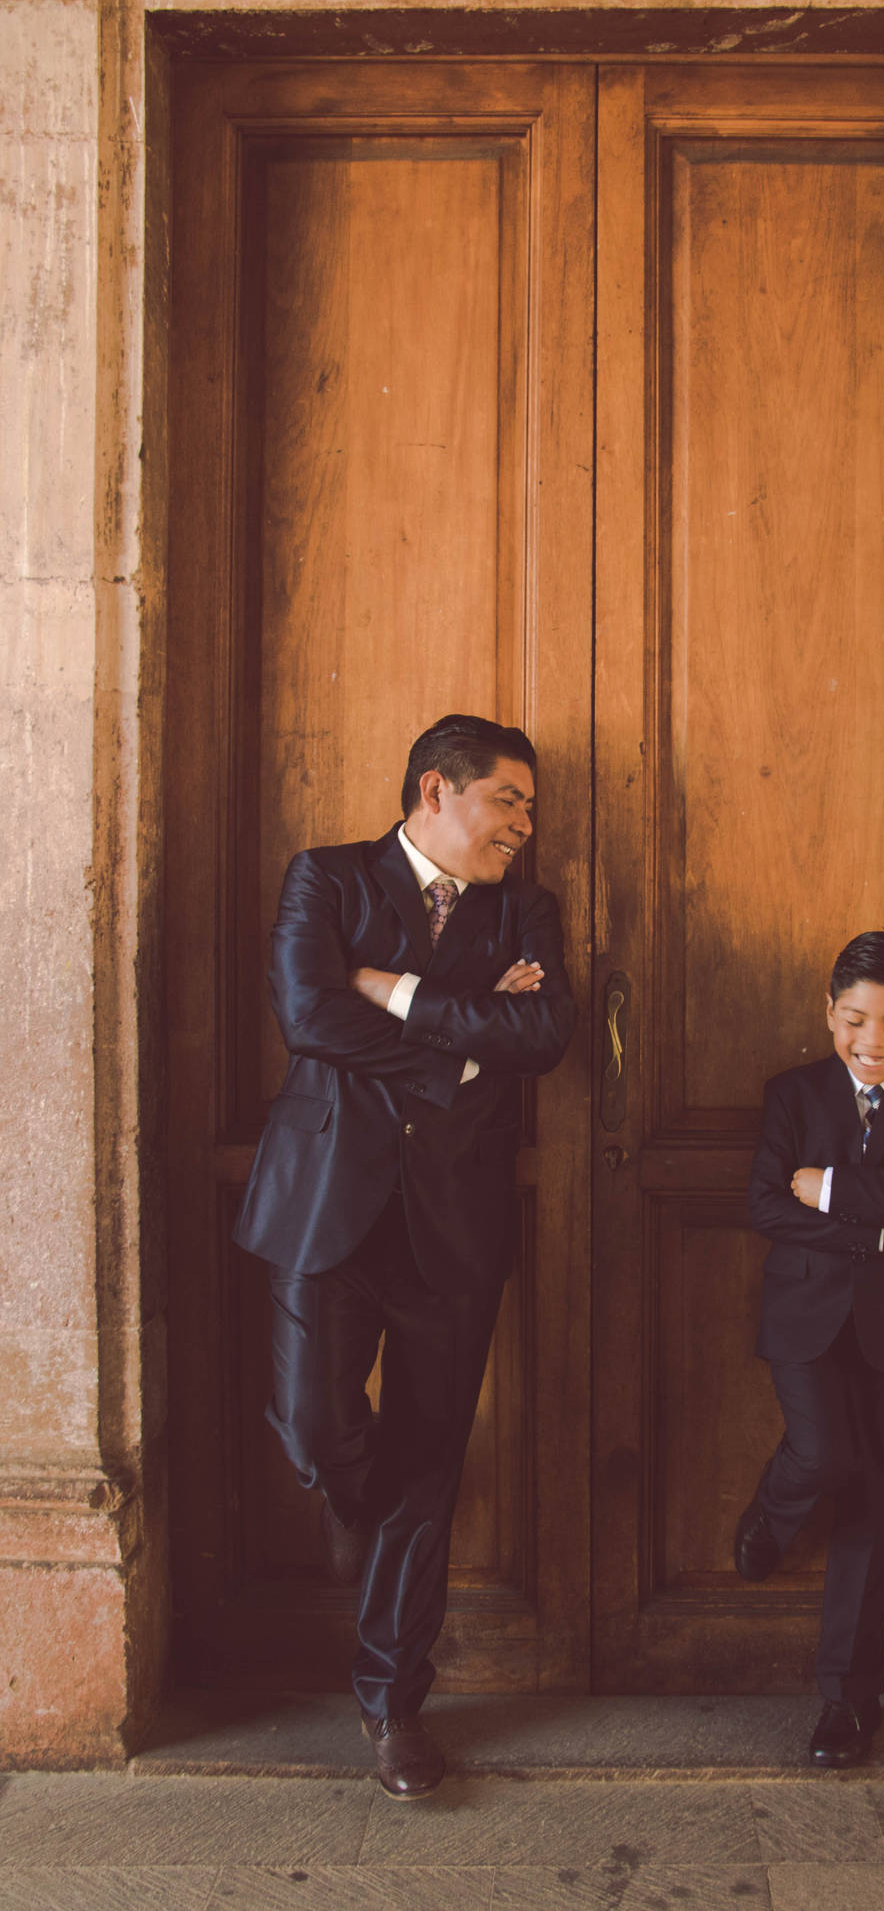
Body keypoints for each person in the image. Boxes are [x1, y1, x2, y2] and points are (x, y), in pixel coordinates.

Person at [233, 713, 575, 1800]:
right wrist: (458, 1048)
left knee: (429, 1466)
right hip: (326, 1205)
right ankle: (351, 1497)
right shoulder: (326, 882)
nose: (526, 823)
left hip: (456, 1226)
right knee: (313, 1425)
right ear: (438, 789)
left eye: (529, 806)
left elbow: (544, 1039)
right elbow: (307, 1017)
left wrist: (392, 990)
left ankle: (393, 1705)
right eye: (508, 801)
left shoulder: (528, 909)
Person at [735, 929, 884, 1768]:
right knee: (820, 1451)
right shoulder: (793, 1095)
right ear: (828, 1013)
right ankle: (771, 1512)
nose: (874, 1044)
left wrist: (833, 1187)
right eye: (856, 1021)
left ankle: (848, 1700)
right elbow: (767, 1204)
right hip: (804, 1316)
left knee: (875, 1496)